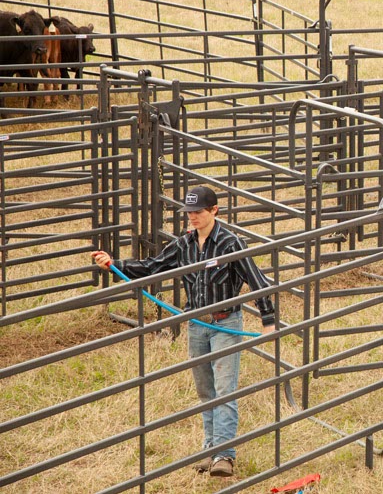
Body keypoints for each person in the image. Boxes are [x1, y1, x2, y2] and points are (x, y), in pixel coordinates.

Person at [91, 186, 276, 479]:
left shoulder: (231, 244)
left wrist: (268, 320)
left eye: (198, 212)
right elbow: (154, 266)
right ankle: (210, 449)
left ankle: (224, 454)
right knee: (205, 390)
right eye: (189, 213)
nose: (192, 217)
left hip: (225, 322)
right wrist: (117, 264)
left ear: (214, 211)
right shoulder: (184, 244)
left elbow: (257, 280)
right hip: (195, 323)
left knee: (225, 389)